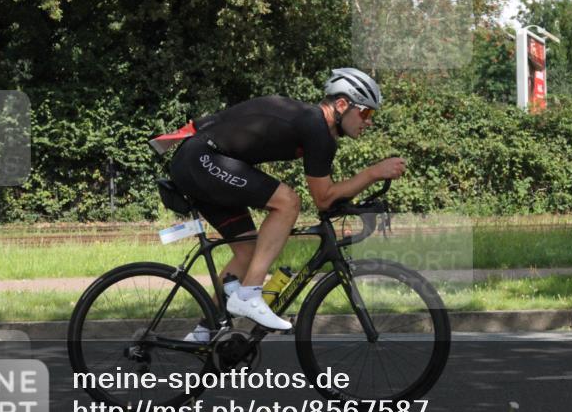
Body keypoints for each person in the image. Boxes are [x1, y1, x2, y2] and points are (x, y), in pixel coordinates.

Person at [168, 68, 406, 336]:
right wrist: (373, 173)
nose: (369, 121)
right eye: (366, 112)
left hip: (200, 161)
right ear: (342, 104)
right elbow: (324, 198)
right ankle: (249, 295)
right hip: (201, 159)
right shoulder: (315, 125)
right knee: (288, 201)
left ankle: (204, 333)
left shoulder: (317, 130)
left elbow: (326, 199)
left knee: (248, 251)